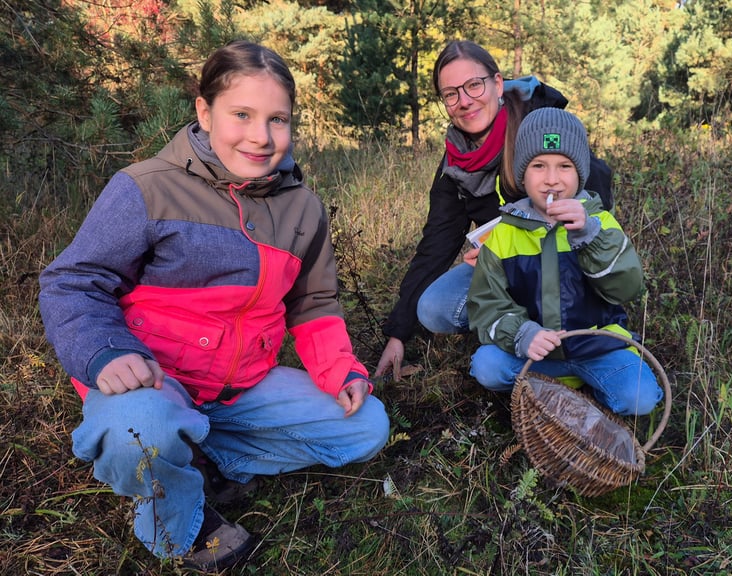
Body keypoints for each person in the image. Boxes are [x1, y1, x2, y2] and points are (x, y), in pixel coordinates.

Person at [38, 40, 389, 572]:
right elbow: (73, 281)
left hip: (242, 387)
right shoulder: (144, 188)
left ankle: (201, 453)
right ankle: (181, 518)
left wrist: (342, 368)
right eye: (241, 115)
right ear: (204, 111)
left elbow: (315, 304)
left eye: (278, 119)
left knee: (366, 429)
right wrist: (105, 353)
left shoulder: (304, 209)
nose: (260, 136)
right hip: (153, 383)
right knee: (141, 435)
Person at [374, 40, 614, 381]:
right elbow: (435, 245)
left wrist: (566, 221)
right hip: (508, 263)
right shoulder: (456, 161)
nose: (465, 101)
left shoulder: (535, 124)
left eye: (474, 85)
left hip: (563, 258)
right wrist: (398, 334)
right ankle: (518, 333)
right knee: (433, 307)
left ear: (497, 84)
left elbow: (596, 178)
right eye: (451, 94)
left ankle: (567, 341)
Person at [466, 108, 663, 417]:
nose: (552, 180)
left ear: (580, 172)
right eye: (539, 166)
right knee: (486, 366)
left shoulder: (600, 222)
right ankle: (553, 389)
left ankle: (582, 396)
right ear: (522, 173)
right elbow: (486, 305)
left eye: (565, 166)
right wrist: (521, 334)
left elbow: (627, 288)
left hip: (598, 349)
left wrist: (589, 236)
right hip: (535, 354)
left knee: (640, 398)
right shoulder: (504, 234)